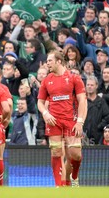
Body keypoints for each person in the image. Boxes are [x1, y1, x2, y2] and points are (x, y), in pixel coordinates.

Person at [38, 51, 87, 187]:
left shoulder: (74, 78)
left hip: (72, 120)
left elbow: (82, 100)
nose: (47, 63)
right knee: (56, 151)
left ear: (59, 61)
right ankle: (60, 186)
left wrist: (80, 121)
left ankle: (74, 177)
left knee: (75, 154)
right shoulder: (47, 80)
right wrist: (45, 113)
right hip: (54, 121)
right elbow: (40, 103)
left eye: (49, 61)